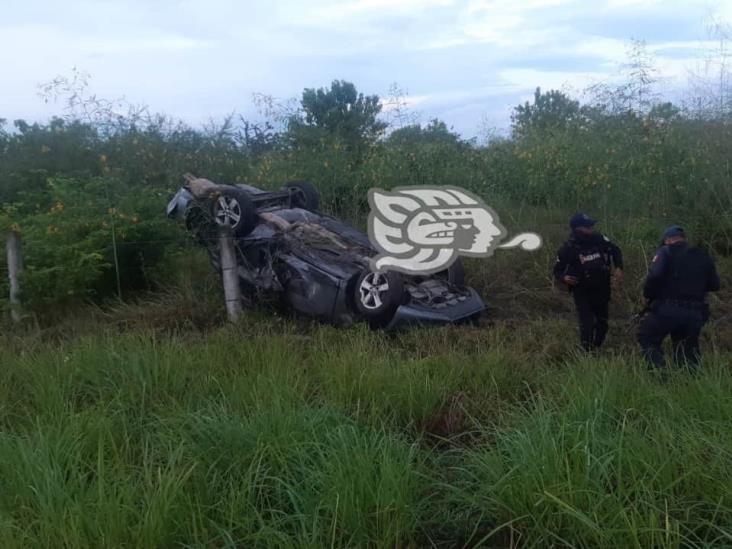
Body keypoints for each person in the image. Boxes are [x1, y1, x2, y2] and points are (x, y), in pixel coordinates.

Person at [637, 226, 720, 370]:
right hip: (695, 313)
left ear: (667, 240)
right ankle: (690, 383)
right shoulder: (702, 255)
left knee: (646, 336)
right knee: (687, 349)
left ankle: (660, 373)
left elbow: (654, 275)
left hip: (668, 310)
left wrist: (648, 295)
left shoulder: (666, 251)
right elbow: (715, 285)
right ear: (683, 239)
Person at [553, 212, 624, 351]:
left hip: (602, 288)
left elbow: (616, 251)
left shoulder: (599, 239)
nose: (592, 228)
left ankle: (596, 347)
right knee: (587, 323)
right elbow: (557, 270)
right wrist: (563, 277)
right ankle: (587, 352)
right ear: (578, 229)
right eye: (588, 226)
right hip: (582, 290)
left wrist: (619, 268)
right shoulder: (568, 248)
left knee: (603, 323)